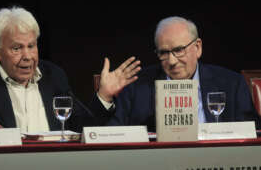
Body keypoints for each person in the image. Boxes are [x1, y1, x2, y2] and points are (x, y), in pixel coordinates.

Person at [0, 6, 141, 133]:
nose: (28, 56)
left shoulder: (54, 76)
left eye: (32, 46)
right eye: (17, 48)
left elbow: (81, 129)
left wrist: (104, 96)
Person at [93, 16, 261, 132]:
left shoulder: (231, 84)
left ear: (198, 47)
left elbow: (251, 135)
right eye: (164, 53)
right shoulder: (137, 86)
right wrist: (105, 97)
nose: (172, 61)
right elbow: (108, 138)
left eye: (179, 50)